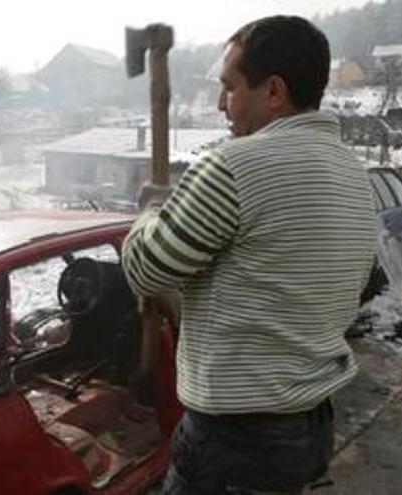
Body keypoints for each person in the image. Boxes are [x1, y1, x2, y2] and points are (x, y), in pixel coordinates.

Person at [120, 15, 378, 494]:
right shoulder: (354, 175)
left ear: (274, 91)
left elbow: (144, 269)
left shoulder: (233, 166)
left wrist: (151, 210)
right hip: (310, 427)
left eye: (230, 87)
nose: (221, 104)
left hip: (235, 441)